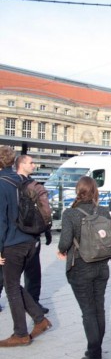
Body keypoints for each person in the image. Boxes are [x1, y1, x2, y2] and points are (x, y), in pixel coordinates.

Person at [57, 176, 111, 359]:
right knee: (98, 308)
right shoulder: (103, 211)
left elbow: (65, 242)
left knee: (88, 311)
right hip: (102, 266)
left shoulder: (70, 213)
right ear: (95, 191)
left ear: (78, 190)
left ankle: (94, 354)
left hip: (80, 267)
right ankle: (96, 349)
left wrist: (62, 250)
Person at [0, 146, 51, 347]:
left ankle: (21, 333)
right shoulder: (23, 181)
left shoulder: (2, 184)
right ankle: (40, 319)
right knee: (12, 283)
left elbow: (1, 221)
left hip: (12, 242)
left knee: (11, 286)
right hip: (30, 239)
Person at [15, 154, 53, 313]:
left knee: (9, 272)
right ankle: (33, 304)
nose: (34, 165)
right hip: (30, 232)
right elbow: (45, 208)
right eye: (30, 162)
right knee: (32, 272)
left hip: (14, 231)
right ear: (21, 164)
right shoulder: (32, 185)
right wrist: (47, 226)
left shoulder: (9, 182)